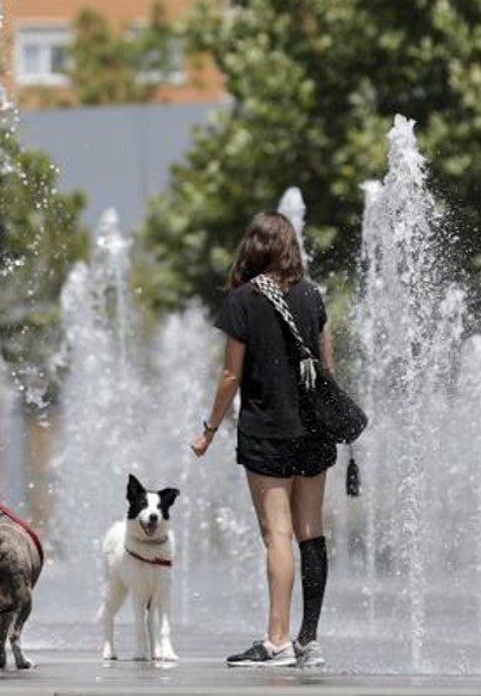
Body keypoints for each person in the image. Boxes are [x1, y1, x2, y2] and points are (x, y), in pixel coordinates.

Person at [190, 212, 336, 669]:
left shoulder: (242, 300)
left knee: (277, 535)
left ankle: (276, 641)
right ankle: (308, 641)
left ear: (252, 248)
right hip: (313, 431)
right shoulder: (313, 297)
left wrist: (209, 429)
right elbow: (328, 370)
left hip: (268, 432)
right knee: (310, 534)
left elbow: (231, 374)